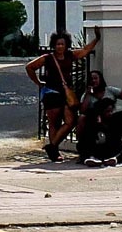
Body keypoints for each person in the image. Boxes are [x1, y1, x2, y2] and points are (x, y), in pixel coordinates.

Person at [27, 29, 97, 162]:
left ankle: (52, 146)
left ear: (66, 45)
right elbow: (30, 67)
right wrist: (38, 82)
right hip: (51, 93)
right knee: (54, 123)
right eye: (58, 44)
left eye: (62, 44)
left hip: (65, 94)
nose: (60, 46)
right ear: (54, 45)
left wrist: (97, 39)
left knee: (70, 121)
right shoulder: (47, 58)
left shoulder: (70, 55)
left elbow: (85, 51)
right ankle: (54, 152)